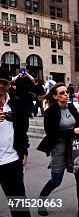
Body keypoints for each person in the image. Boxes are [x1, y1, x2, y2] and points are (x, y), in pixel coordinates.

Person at [36, 82, 79, 217]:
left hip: (75, 148)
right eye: (62, 93)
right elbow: (51, 133)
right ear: (55, 96)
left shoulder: (71, 107)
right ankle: (41, 201)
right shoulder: (50, 112)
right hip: (59, 150)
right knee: (56, 180)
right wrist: (73, 130)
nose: (66, 95)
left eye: (67, 92)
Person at [0, 73, 31, 217]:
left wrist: (24, 150)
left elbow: (22, 129)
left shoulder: (16, 102)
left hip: (12, 160)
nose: (1, 85)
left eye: (4, 82)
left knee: (20, 207)